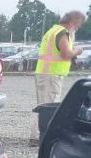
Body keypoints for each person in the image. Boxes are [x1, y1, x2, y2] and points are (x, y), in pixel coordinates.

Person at [31, 10, 86, 146]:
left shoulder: (53, 31)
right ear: (72, 21)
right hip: (51, 74)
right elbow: (66, 54)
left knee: (43, 106)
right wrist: (77, 51)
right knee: (49, 108)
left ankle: (36, 136)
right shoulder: (62, 33)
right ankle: (42, 138)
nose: (78, 28)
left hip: (45, 73)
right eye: (78, 24)